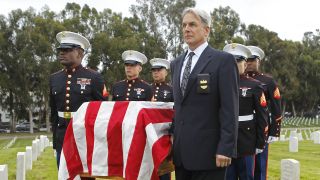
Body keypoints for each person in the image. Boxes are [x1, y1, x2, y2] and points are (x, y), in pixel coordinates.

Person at [170, 8, 239, 180]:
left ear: (206, 30)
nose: (187, 29)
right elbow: (179, 105)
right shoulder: (176, 63)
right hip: (181, 155)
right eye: (184, 25)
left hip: (210, 155)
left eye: (192, 24)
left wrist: (226, 148)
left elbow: (229, 108)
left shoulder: (223, 61)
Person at [50, 31, 107, 168]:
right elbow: (53, 111)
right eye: (60, 50)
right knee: (63, 174)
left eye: (67, 50)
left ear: (80, 54)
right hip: (62, 136)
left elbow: (102, 112)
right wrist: (55, 140)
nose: (61, 53)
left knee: (85, 175)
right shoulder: (54, 78)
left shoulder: (94, 77)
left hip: (85, 135)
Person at [223, 43, 269, 180]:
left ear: (245, 63)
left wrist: (261, 142)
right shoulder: (220, 84)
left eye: (239, 61)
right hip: (226, 141)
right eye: (232, 61)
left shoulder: (254, 85)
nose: (235, 65)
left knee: (247, 176)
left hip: (247, 140)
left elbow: (262, 116)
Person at [245, 46, 282, 180]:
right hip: (243, 129)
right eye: (246, 60)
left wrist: (274, 131)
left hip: (262, 128)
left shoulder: (268, 81)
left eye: (252, 60)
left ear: (258, 61)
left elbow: (276, 107)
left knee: (260, 165)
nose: (249, 63)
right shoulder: (236, 79)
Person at [149, 58, 174, 180]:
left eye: (159, 70)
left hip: (164, 136)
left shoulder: (172, 90)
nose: (156, 72)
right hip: (148, 135)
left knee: (164, 170)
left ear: (166, 72)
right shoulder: (147, 89)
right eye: (153, 70)